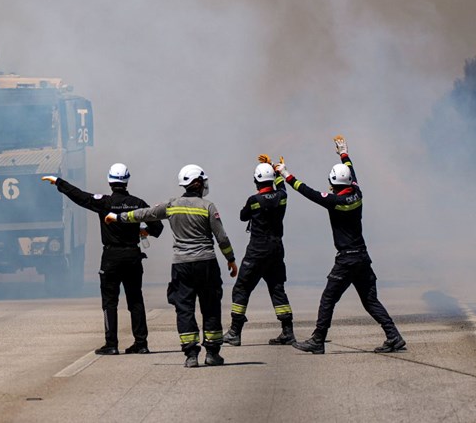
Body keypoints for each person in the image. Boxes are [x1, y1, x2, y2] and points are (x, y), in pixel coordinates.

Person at [275, 135, 405, 354]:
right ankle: (393, 335)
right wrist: (344, 153)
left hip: (347, 259)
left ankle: (318, 340)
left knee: (328, 298)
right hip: (362, 257)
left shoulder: (334, 201)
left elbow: (307, 191)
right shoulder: (357, 194)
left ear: (334, 184)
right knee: (370, 300)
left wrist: (285, 174)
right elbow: (352, 173)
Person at [106, 164, 238, 367]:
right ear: (197, 183)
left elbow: (144, 214)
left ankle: (191, 355)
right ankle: (212, 353)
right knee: (210, 307)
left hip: (181, 266)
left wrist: (118, 217)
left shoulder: (171, 205)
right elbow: (222, 237)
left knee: (184, 308)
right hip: (206, 264)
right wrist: (230, 259)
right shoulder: (208, 206)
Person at [42, 163, 164, 355]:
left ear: (109, 181)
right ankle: (141, 343)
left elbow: (80, 196)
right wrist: (144, 231)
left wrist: (59, 182)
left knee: (110, 302)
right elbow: (158, 228)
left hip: (111, 258)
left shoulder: (104, 202)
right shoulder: (138, 203)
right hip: (133, 256)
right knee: (136, 300)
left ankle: (111, 344)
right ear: (127, 180)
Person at [222, 155, 295, 347]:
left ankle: (235, 332)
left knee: (242, 288)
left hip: (257, 251)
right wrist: (275, 168)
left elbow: (242, 216)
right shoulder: (281, 197)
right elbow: (282, 187)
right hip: (277, 250)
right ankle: (288, 331)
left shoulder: (254, 200)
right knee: (277, 289)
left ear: (256, 180)